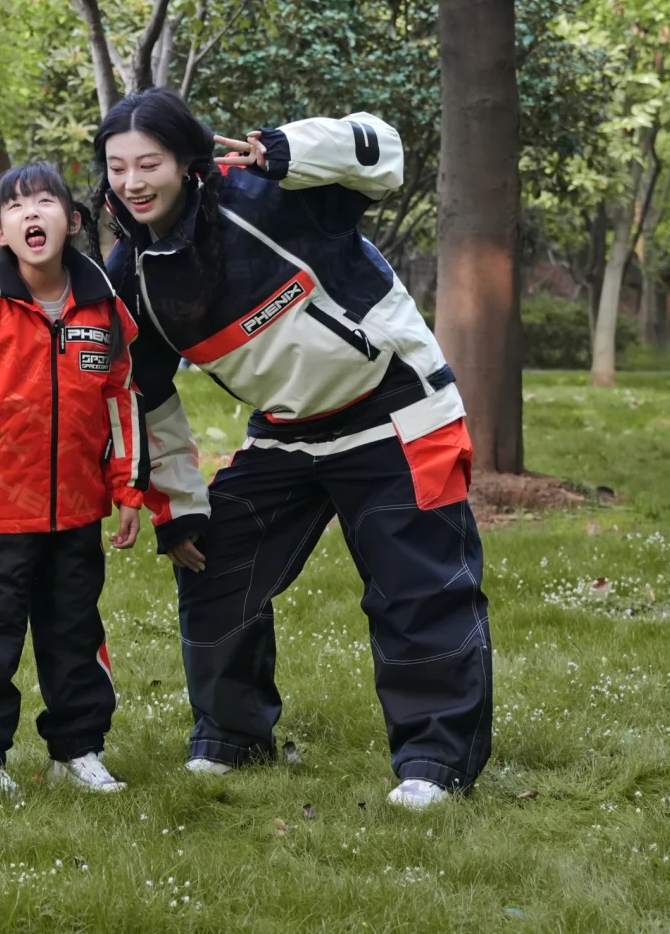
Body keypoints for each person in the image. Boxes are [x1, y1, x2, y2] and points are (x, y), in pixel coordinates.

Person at [92, 90, 491, 810]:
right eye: (117, 167)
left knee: (418, 589)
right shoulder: (133, 273)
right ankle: (232, 738)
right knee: (211, 562)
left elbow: (383, 151)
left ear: (189, 159)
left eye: (148, 162)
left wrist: (287, 149)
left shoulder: (274, 191)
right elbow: (149, 397)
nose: (132, 182)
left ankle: (435, 761)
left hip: (397, 407)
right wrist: (177, 506)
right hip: (288, 430)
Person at [0, 162, 149, 796]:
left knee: (75, 631)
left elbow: (121, 400)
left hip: (75, 512)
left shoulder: (103, 310)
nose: (32, 214)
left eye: (47, 202)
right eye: (17, 207)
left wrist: (128, 488)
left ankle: (78, 749)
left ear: (72, 222)